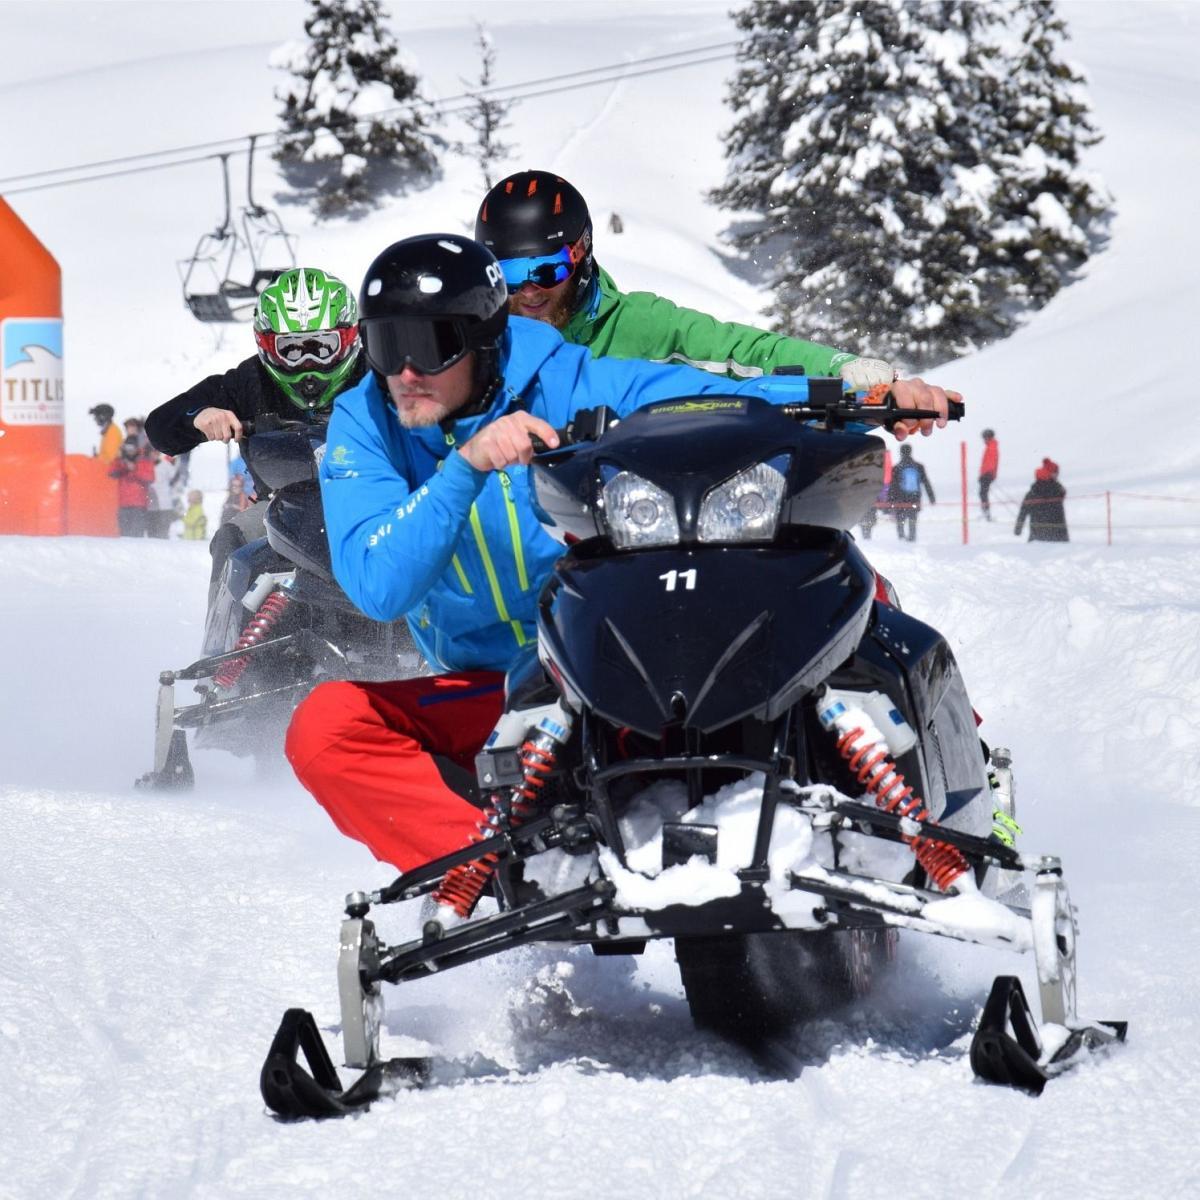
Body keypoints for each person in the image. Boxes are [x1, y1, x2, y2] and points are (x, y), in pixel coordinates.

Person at [283, 233, 956, 873]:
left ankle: (928, 812)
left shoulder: (567, 380)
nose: (403, 371)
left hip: (619, 669)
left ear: (483, 339)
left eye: (429, 347)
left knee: (837, 605)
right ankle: (505, 877)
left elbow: (707, 391)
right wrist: (464, 468)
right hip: (499, 696)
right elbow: (378, 585)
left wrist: (867, 399)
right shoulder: (365, 421)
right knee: (325, 727)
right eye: (382, 345)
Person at [475, 170, 897, 390]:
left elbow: (742, 351)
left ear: (581, 256)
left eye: (548, 269)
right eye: (509, 274)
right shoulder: (480, 339)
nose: (529, 289)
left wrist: (843, 369)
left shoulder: (636, 325)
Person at [145, 267, 365, 600]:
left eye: (321, 347)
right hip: (281, 510)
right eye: (291, 350)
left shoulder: (380, 375)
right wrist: (198, 416)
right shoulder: (249, 381)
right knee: (232, 540)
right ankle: (224, 645)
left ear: (348, 339)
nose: (307, 363)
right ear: (267, 346)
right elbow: (159, 427)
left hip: (375, 499)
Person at [108, 435, 155, 536]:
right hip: (123, 505)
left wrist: (134, 469)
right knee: (124, 536)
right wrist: (119, 459)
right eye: (127, 448)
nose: (129, 451)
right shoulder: (121, 460)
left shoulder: (144, 460)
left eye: (132, 448)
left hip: (138, 505)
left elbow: (150, 478)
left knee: (136, 536)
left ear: (137, 448)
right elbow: (111, 472)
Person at [889, 443, 936, 542]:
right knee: (912, 521)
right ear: (911, 452)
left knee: (900, 521)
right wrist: (932, 497)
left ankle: (901, 540)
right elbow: (926, 482)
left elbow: (892, 486)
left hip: (900, 500)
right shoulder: (918, 466)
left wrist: (890, 500)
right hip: (914, 498)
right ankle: (912, 539)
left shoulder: (896, 468)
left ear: (901, 453)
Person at [1014, 458, 1068, 542]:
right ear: (1052, 473)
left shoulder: (1033, 492)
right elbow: (1063, 493)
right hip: (1057, 536)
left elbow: (1023, 512)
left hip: (1037, 537)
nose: (1058, 475)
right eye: (1056, 473)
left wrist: (1018, 529)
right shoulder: (1056, 489)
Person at [859, 446, 893, 541]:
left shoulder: (866, 457)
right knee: (871, 508)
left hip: (867, 489)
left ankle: (866, 532)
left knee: (867, 509)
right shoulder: (885, 456)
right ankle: (867, 532)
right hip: (880, 486)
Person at [979, 428, 999, 521]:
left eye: (984, 438)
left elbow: (990, 463)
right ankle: (986, 513)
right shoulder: (991, 446)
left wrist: (985, 475)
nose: (983, 440)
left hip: (987, 474)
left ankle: (986, 514)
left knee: (983, 493)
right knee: (983, 493)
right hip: (987, 474)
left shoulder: (991, 447)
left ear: (988, 437)